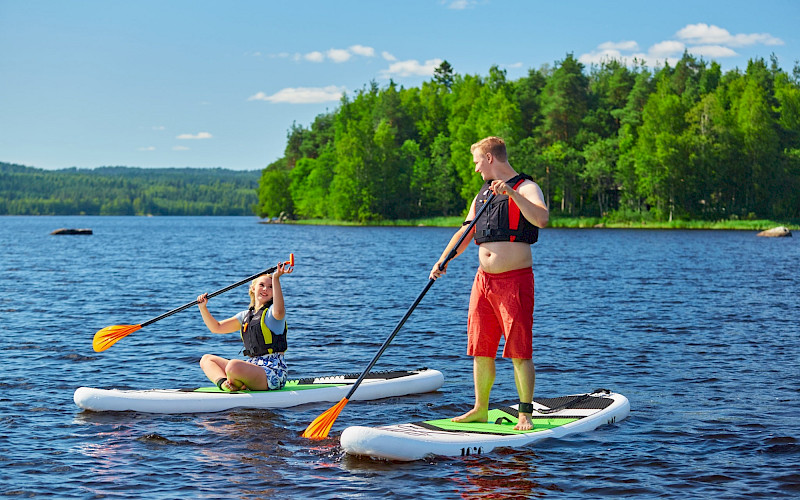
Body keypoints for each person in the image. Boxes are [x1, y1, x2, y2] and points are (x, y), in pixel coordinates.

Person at [430, 136, 549, 431]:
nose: (476, 169)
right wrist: (442, 261)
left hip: (515, 281)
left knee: (519, 350)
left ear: (490, 158)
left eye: (477, 162)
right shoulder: (481, 194)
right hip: (483, 282)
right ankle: (480, 409)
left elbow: (542, 219)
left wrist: (511, 194)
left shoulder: (527, 187)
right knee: (480, 348)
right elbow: (465, 232)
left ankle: (525, 412)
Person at [197, 261, 293, 392]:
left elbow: (279, 311)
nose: (266, 289)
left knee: (233, 366)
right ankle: (226, 384)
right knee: (206, 359)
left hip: (273, 373)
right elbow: (216, 328)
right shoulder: (245, 316)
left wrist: (276, 278)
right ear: (253, 288)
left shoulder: (273, 314)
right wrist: (203, 308)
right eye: (262, 285)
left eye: (270, 287)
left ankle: (237, 383)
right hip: (252, 367)